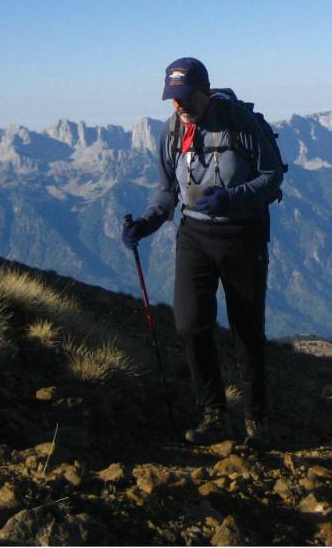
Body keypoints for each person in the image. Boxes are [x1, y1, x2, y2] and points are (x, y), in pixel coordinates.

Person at [122, 57, 284, 447]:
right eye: (172, 99)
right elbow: (166, 191)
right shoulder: (173, 131)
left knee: (247, 331)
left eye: (184, 97)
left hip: (243, 235)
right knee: (190, 325)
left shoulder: (240, 124)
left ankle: (256, 421)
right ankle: (214, 413)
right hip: (194, 234)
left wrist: (231, 199)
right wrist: (146, 223)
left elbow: (272, 178)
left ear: (204, 91)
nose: (178, 106)